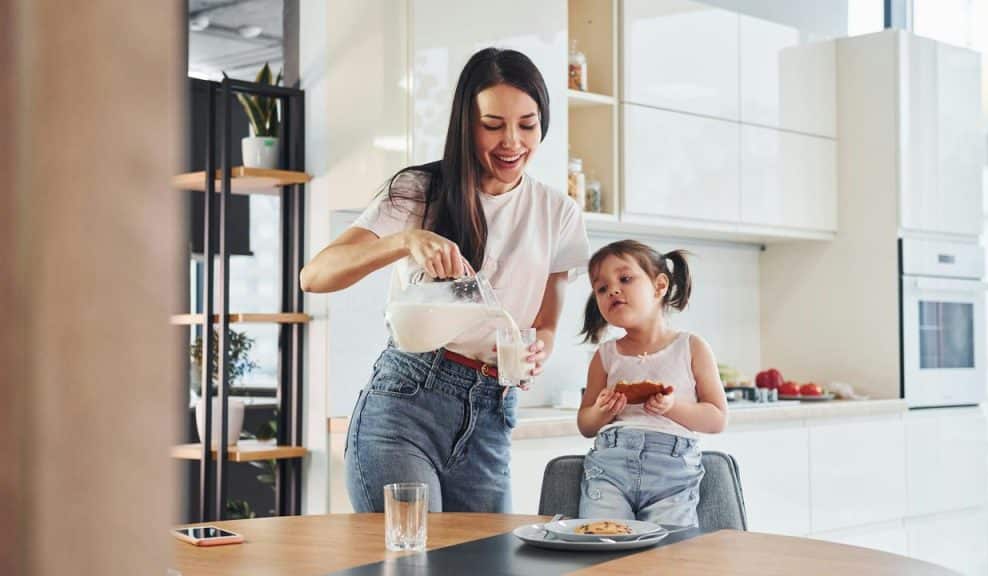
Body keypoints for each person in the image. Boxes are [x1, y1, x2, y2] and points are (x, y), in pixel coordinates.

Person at [300, 48, 590, 513]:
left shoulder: (559, 212)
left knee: (485, 563)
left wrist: (540, 350)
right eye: (492, 125)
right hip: (406, 406)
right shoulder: (421, 190)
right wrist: (405, 241)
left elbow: (546, 322)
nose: (512, 142)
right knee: (411, 559)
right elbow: (315, 275)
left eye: (527, 124)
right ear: (466, 124)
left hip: (493, 415)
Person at [576, 240, 728, 526]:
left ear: (659, 286)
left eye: (625, 279)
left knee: (671, 556)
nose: (613, 290)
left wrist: (670, 407)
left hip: (673, 473)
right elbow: (586, 424)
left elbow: (717, 418)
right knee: (603, 543)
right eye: (602, 288)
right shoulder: (605, 354)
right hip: (610, 468)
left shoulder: (691, 347)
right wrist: (604, 411)